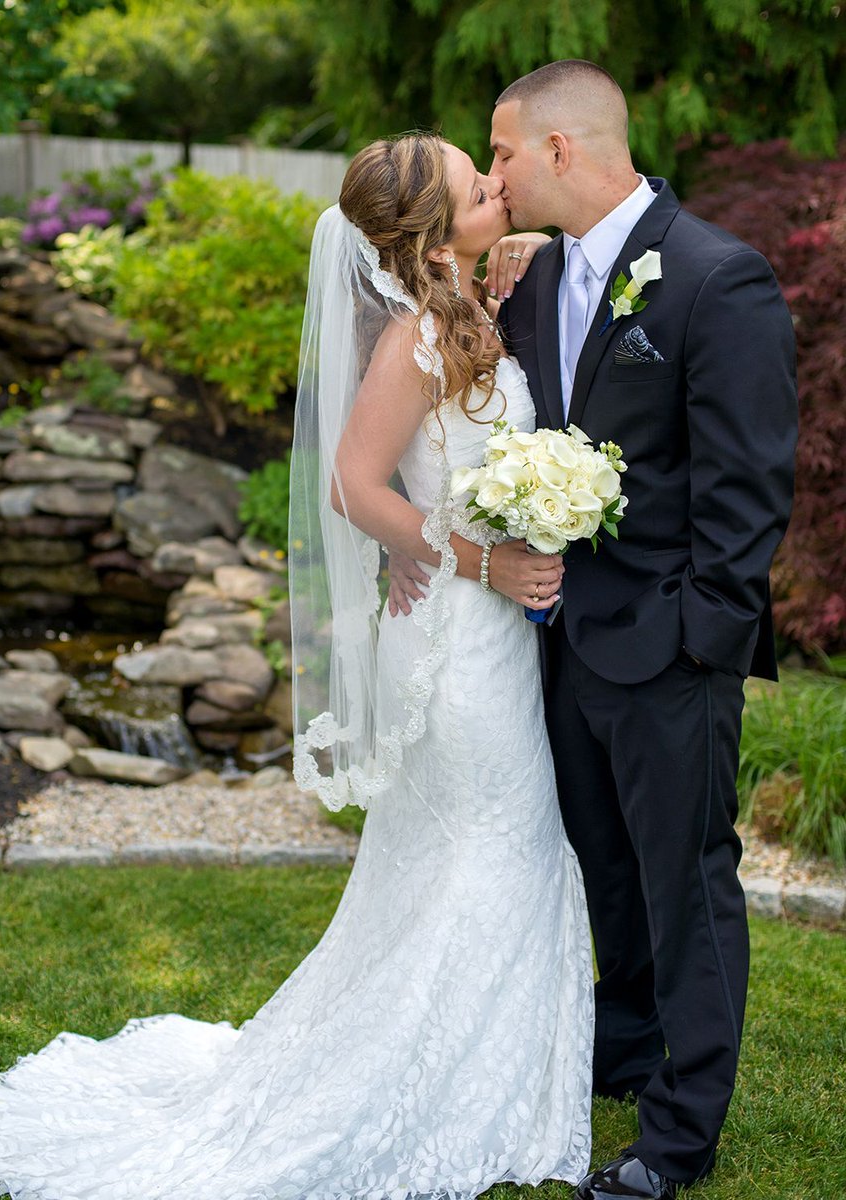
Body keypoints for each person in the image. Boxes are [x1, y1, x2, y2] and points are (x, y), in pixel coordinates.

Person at [0, 134, 595, 1198]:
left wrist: (514, 239)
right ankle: (435, 1086)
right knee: (494, 844)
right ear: (431, 235)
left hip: (490, 636)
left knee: (478, 847)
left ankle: (498, 1074)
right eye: (482, 186)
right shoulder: (416, 343)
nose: (499, 187)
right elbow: (353, 485)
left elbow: (460, 405)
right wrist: (482, 555)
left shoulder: (466, 306)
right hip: (457, 643)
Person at [392, 60, 798, 1200]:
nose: (496, 174)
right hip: (555, 646)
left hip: (668, 650)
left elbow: (749, 490)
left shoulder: (719, 279)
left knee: (685, 885)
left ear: (562, 150)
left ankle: (679, 1135)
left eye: (503, 152)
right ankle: (620, 1056)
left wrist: (699, 640)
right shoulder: (529, 279)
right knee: (602, 876)